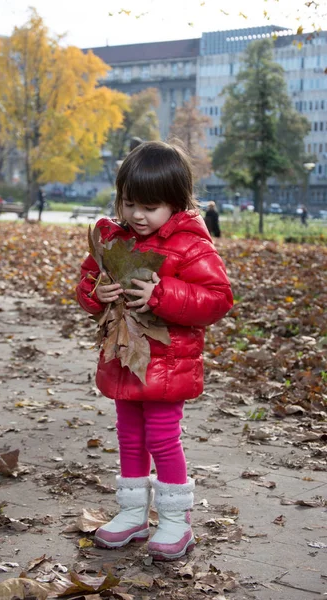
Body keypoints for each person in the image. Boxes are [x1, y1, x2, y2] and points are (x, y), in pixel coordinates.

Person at [76, 141, 233, 561]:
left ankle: (175, 520)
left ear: (175, 203)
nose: (138, 216)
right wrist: (96, 292)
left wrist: (164, 294)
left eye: (150, 206)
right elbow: (87, 286)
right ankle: (132, 512)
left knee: (162, 438)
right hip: (124, 358)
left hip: (168, 365)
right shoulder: (112, 238)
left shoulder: (190, 244)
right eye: (129, 204)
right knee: (129, 436)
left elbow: (217, 298)